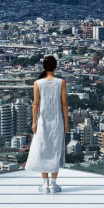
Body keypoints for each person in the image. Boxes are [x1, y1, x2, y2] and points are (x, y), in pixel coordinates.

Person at [25, 55, 69, 193]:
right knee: (55, 150)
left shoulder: (38, 83)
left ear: (43, 67)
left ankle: (45, 184)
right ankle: (54, 184)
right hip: (57, 121)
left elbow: (35, 104)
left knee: (43, 150)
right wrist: (66, 122)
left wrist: (33, 121)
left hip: (42, 121)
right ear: (56, 67)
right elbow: (64, 104)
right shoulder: (61, 82)